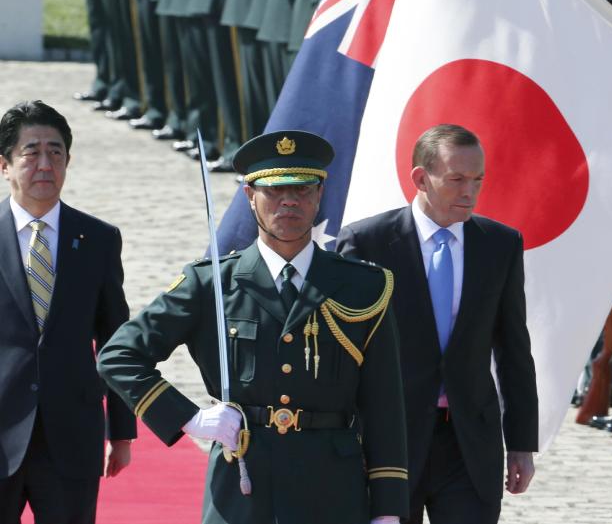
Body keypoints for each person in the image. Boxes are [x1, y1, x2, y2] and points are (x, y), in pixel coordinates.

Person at [97, 130, 408, 524]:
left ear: (319, 195)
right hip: (242, 487)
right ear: (250, 196)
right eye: (275, 190)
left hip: (330, 491)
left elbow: (384, 406)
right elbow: (120, 354)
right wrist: (191, 418)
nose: (289, 201)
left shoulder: (365, 286)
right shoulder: (211, 284)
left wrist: (388, 510)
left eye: (302, 189)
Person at [336, 124, 538, 524]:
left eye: (478, 179)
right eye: (457, 179)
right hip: (390, 444)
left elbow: (514, 350)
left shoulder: (500, 245)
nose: (470, 192)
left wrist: (521, 444)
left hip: (469, 447)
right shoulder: (366, 242)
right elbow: (342, 354)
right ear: (420, 179)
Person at [0, 101, 136, 524]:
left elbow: (116, 339)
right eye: (31, 152)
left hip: (71, 435)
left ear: (68, 161)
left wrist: (122, 429)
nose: (45, 164)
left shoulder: (97, 238)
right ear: (4, 165)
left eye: (55, 152)